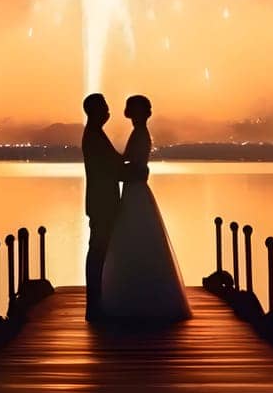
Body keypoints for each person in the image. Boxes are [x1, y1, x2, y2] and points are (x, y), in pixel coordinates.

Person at [99, 94, 191, 321]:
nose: (126, 111)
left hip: (135, 189)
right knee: (140, 236)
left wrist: (111, 167)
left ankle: (134, 293)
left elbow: (129, 160)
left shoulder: (139, 134)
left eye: (129, 107)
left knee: (134, 235)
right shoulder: (140, 133)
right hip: (136, 188)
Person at [81, 91, 123, 321]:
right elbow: (111, 166)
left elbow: (113, 162)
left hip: (101, 202)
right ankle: (94, 303)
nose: (108, 111)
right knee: (98, 251)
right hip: (102, 203)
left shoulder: (96, 134)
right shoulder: (94, 136)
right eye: (104, 107)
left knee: (100, 250)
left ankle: (98, 299)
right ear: (95, 111)